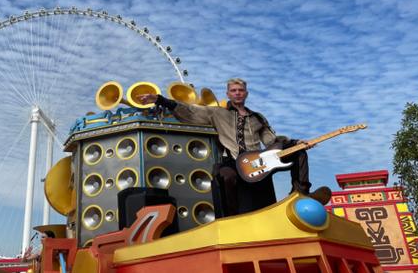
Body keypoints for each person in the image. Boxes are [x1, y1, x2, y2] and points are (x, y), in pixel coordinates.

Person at [138, 78, 331, 216]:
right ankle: (233, 217)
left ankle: (300, 195)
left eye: (241, 90)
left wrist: (296, 143)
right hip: (234, 162)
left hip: (261, 161)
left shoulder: (258, 117)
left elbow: (271, 140)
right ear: (228, 93)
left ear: (246, 93)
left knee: (299, 151)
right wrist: (160, 99)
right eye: (234, 90)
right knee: (226, 175)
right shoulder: (217, 113)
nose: (237, 93)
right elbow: (191, 111)